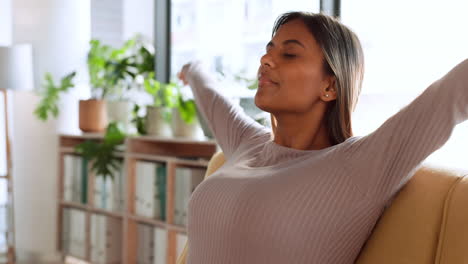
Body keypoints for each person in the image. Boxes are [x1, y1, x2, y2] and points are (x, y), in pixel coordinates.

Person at [176, 11, 468, 264]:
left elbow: (451, 93)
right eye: (268, 50)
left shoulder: (361, 164)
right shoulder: (248, 143)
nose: (265, 60)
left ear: (330, 86)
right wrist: (192, 69)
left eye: (288, 54)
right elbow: (211, 96)